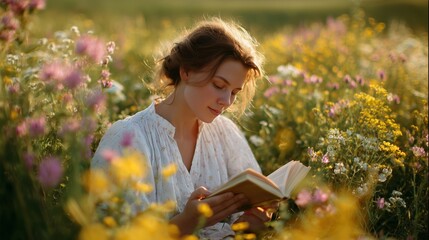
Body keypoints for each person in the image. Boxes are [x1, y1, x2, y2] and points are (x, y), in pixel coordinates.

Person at [92, 17, 274, 239]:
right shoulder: (128, 138)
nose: (226, 101)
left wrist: (251, 224)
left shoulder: (225, 133)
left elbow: (246, 219)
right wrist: (185, 224)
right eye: (219, 85)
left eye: (235, 92)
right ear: (186, 72)